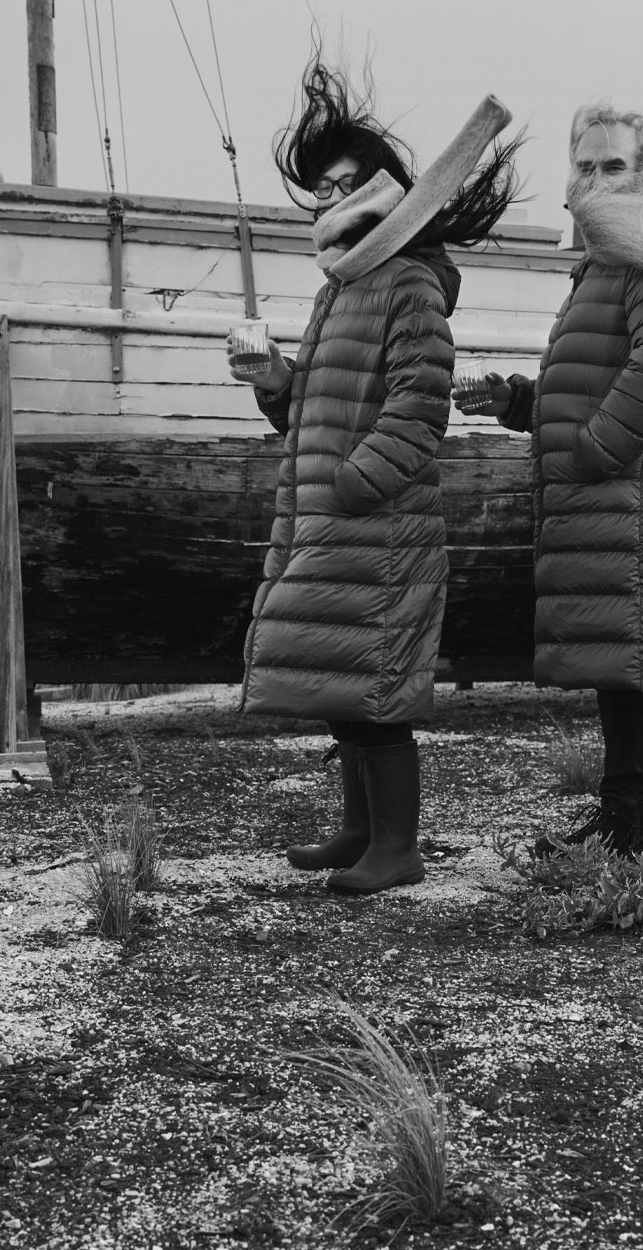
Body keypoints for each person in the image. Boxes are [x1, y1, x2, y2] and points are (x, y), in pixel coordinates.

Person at [229, 57, 519, 895]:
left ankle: (397, 847)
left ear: (389, 186)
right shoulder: (338, 291)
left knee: (379, 692)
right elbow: (310, 415)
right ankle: (359, 830)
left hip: (376, 524)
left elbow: (417, 411)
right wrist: (278, 384)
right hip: (328, 517)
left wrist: (352, 485)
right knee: (339, 682)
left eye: (344, 184)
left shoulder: (411, 286)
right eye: (320, 191)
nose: (330, 201)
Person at [456, 103, 643, 855]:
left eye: (616, 165)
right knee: (624, 663)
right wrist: (519, 401)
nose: (598, 178)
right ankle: (621, 820)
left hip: (635, 497)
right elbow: (596, 381)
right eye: (586, 165)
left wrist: (594, 454)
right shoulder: (605, 263)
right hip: (609, 498)